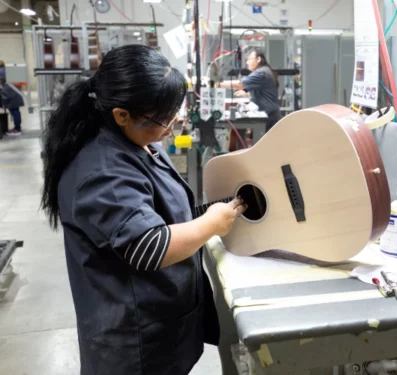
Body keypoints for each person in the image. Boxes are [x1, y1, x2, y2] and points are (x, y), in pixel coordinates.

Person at [40, 45, 247, 375]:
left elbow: (161, 211)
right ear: (122, 115)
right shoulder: (101, 171)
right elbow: (148, 248)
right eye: (163, 118)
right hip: (133, 342)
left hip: (162, 322)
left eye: (173, 114)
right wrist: (210, 224)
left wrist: (215, 210)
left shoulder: (140, 142)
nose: (171, 126)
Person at [216, 48, 282, 133]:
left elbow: (239, 84)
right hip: (269, 115)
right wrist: (246, 92)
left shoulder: (261, 72)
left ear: (258, 59)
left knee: (266, 144)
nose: (247, 63)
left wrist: (218, 84)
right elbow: (258, 88)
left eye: (249, 60)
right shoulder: (264, 71)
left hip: (268, 116)